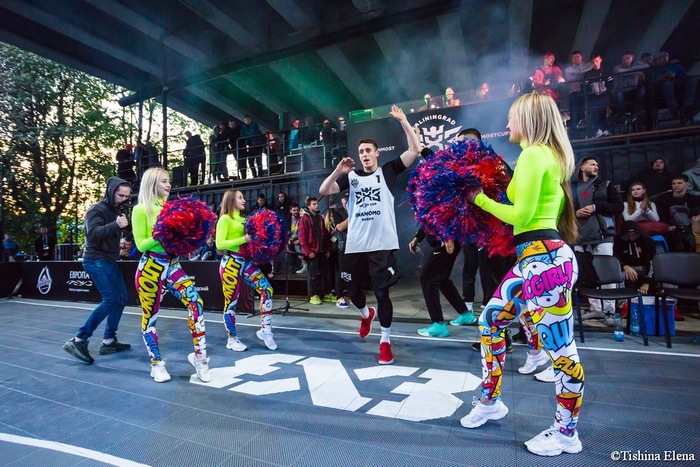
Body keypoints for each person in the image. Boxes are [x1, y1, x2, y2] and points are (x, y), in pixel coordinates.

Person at [461, 93, 584, 457]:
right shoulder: (545, 156)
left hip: (545, 262)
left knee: (562, 353)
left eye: (512, 118)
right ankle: (490, 401)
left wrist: (479, 199)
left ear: (528, 119)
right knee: (490, 321)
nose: (507, 124)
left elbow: (522, 215)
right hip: (534, 259)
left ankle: (566, 433)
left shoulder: (534, 155)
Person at [319, 105, 422, 365]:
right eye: (361, 152)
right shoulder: (352, 177)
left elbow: (414, 150)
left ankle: (385, 342)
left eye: (368, 150)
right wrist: (338, 171)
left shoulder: (387, 171)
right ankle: (366, 314)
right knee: (352, 291)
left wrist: (404, 121)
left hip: (381, 245)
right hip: (355, 245)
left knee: (382, 294)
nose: (364, 154)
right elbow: (324, 190)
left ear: (376, 153)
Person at [131, 168, 211, 383]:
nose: (169, 185)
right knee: (150, 317)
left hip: (173, 264)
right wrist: (162, 232)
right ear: (152, 183)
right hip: (150, 267)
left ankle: (201, 358)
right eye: (164, 181)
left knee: (196, 303)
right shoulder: (140, 209)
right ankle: (156, 364)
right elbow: (141, 245)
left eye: (169, 181)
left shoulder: (172, 207)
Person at [62, 177, 133, 364]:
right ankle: (79, 340)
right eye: (120, 195)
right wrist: (116, 225)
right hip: (96, 260)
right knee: (111, 300)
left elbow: (120, 231)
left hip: (109, 260)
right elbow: (92, 234)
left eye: (126, 196)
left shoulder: (117, 210)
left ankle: (109, 340)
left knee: (121, 299)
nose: (123, 199)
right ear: (111, 191)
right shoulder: (96, 210)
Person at [216, 189, 276, 351]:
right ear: (231, 200)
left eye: (243, 197)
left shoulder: (245, 219)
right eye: (240, 197)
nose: (244, 200)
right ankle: (231, 339)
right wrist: (244, 239)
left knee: (267, 290)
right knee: (231, 302)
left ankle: (266, 331)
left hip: (246, 261)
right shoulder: (225, 219)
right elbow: (219, 244)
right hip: (230, 262)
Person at [571, 156, 623, 324]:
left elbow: (618, 206)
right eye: (592, 164)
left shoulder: (605, 184)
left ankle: (609, 310)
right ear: (582, 167)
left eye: (597, 164)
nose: (596, 166)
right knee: (587, 274)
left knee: (607, 272)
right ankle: (596, 309)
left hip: (602, 234)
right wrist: (575, 213)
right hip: (580, 236)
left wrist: (596, 207)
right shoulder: (571, 186)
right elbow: (563, 209)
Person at [409, 226, 473, 338]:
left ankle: (438, 324)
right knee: (442, 279)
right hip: (443, 238)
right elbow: (428, 218)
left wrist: (448, 235)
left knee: (427, 278)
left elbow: (451, 215)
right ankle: (465, 314)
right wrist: (417, 238)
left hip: (445, 240)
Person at [299, 196, 333, 305]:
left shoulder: (320, 218)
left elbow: (325, 235)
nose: (317, 205)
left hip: (322, 251)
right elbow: (302, 238)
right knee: (312, 275)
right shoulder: (304, 219)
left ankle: (327, 294)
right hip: (312, 252)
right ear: (309, 206)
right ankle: (313, 296)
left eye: (317, 203)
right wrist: (308, 252)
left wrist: (327, 249)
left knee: (326, 274)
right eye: (314, 204)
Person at [613, 221, 656, 294]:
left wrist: (646, 282)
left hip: (644, 267)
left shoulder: (647, 241)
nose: (631, 238)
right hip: (626, 268)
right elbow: (616, 256)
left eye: (633, 235)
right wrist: (625, 266)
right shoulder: (618, 241)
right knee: (618, 275)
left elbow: (651, 262)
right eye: (628, 235)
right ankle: (622, 298)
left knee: (660, 274)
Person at [332, 193, 349, 308]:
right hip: (343, 244)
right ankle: (339, 296)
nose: (347, 201)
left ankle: (351, 293)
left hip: (356, 244)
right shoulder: (338, 212)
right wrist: (352, 216)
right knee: (342, 270)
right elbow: (340, 227)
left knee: (354, 270)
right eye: (345, 199)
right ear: (342, 200)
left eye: (348, 199)